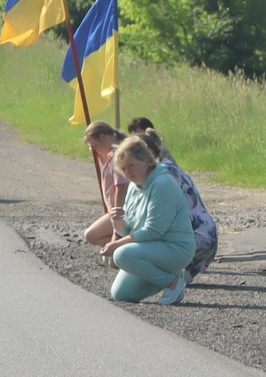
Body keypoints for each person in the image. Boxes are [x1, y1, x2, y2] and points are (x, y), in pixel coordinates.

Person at [99, 133, 196, 305]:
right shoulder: (134, 186)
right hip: (151, 248)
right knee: (120, 294)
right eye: (123, 168)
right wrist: (118, 223)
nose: (128, 172)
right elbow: (130, 229)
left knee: (121, 254)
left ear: (146, 160)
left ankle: (173, 283)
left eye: (131, 165)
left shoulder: (162, 184)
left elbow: (154, 230)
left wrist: (116, 244)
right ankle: (167, 275)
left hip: (176, 249)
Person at [126, 117, 219, 280]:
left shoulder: (163, 174)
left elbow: (156, 224)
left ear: (147, 153)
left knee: (139, 258)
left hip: (195, 240)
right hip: (203, 237)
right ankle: (175, 279)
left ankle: (172, 280)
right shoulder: (163, 167)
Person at [81, 121, 129, 248]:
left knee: (91, 235)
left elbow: (121, 187)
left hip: (120, 211)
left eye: (96, 146)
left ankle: (123, 246)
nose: (95, 149)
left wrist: (117, 218)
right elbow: (109, 170)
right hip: (114, 210)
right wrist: (98, 153)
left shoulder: (118, 157)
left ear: (103, 137)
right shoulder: (114, 155)